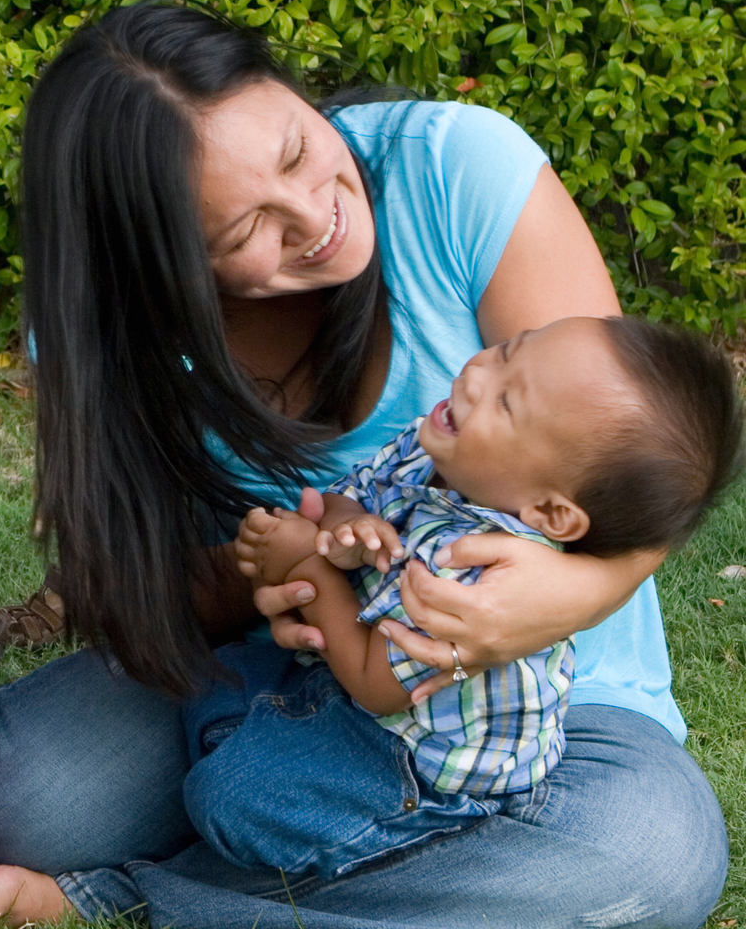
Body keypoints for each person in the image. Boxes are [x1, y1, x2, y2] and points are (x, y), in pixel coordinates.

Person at [0, 2, 728, 929]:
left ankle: (141, 896)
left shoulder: (455, 170)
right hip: (277, 676)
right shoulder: (109, 338)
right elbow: (150, 592)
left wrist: (552, 599)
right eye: (246, 236)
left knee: (650, 854)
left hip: (525, 717)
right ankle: (347, 862)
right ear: (165, 275)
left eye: (294, 151)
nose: (313, 218)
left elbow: (641, 474)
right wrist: (288, 572)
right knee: (14, 799)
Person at [187, 316, 741, 880]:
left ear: (551, 514)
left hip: (422, 765)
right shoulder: (432, 449)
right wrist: (346, 528)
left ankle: (417, 841)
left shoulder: (476, 567)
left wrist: (310, 566)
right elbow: (344, 499)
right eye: (506, 351)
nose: (477, 374)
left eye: (506, 402)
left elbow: (375, 684)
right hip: (346, 692)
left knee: (229, 796)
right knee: (215, 683)